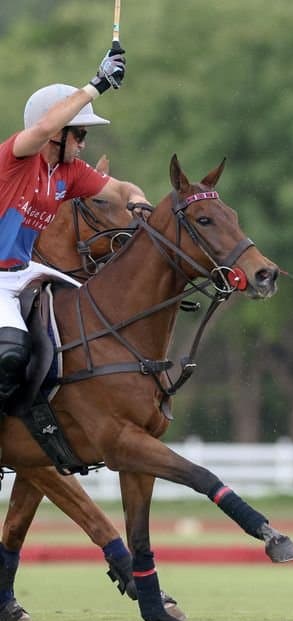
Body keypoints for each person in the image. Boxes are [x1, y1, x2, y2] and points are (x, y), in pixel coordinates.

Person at [0, 46, 148, 412]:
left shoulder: (70, 173)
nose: (83, 144)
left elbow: (121, 190)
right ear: (57, 136)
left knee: (96, 317)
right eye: (79, 134)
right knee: (11, 351)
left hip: (24, 270)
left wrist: (139, 202)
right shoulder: (16, 159)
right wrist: (97, 84)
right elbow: (43, 126)